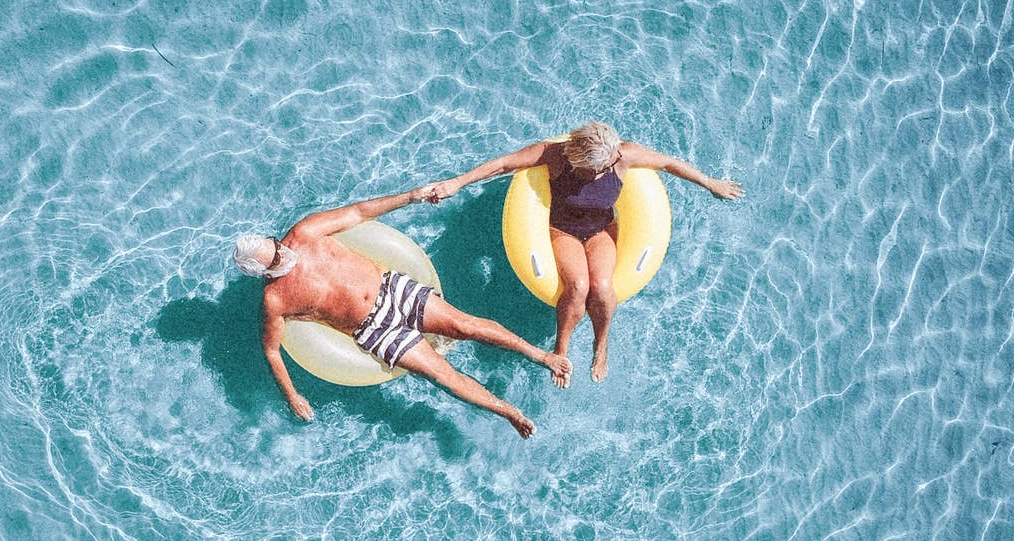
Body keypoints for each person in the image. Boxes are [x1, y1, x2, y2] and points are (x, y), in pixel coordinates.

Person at [419, 122, 742, 387]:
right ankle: (561, 348)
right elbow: (503, 163)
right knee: (577, 285)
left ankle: (600, 345)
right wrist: (456, 183)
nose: (597, 173)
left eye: (601, 168)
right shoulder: (555, 156)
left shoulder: (622, 156)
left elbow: (669, 163)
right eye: (591, 169)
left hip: (600, 231)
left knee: (602, 286)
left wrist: (709, 182)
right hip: (563, 231)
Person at [233, 189, 571, 437]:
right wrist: (293, 397)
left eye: (276, 245)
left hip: (391, 288)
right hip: (374, 330)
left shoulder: (304, 233)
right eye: (276, 260)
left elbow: (359, 212)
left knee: (462, 325)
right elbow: (271, 350)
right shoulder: (275, 300)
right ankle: (508, 412)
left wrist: (411, 197)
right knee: (440, 375)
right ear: (261, 272)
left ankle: (540, 355)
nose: (284, 255)